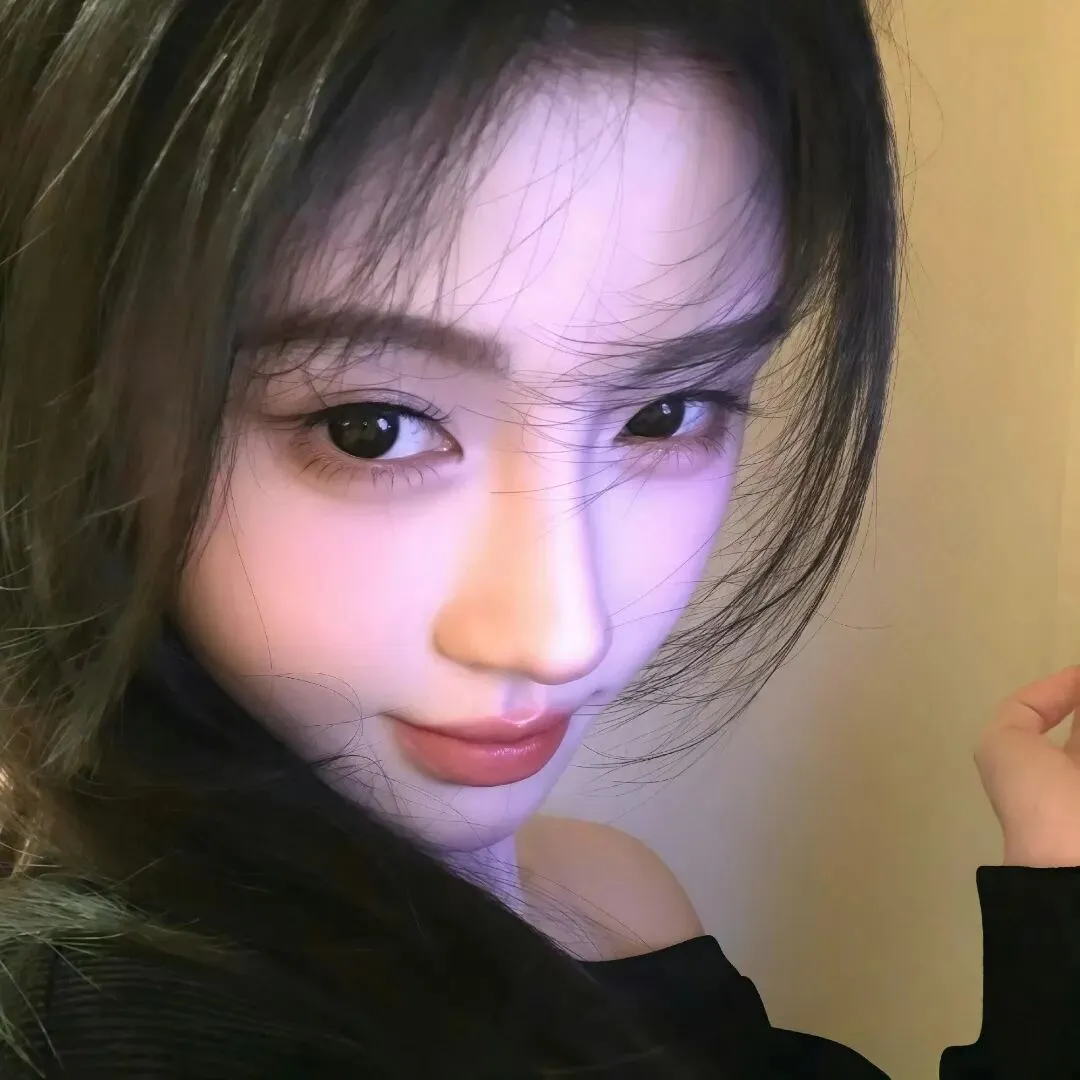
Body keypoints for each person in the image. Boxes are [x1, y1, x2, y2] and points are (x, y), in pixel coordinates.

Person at [0, 1, 1076, 1077]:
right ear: (80, 394)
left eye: (664, 413)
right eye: (371, 428)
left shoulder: (611, 899)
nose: (565, 636)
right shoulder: (105, 1025)